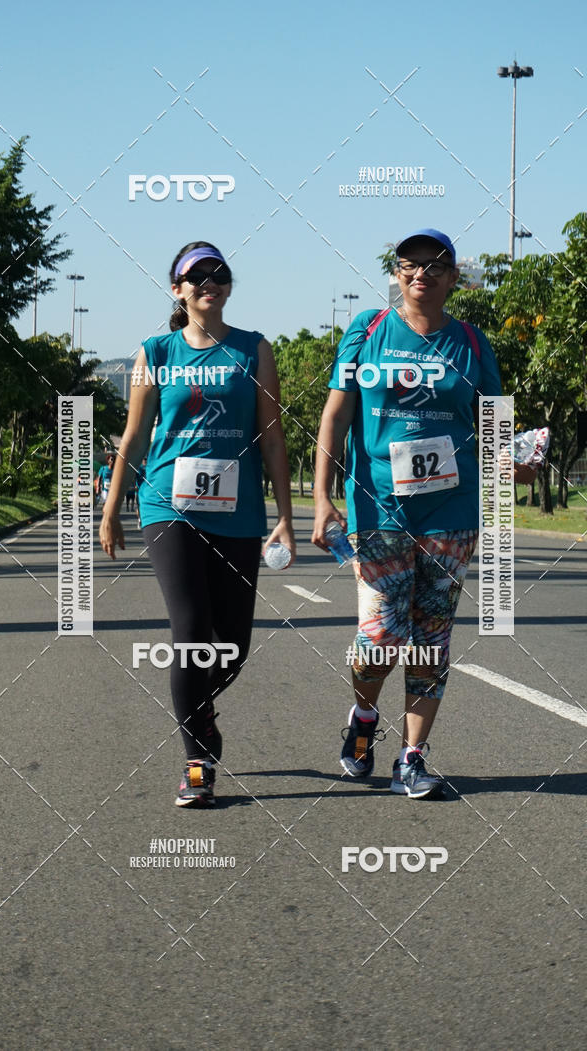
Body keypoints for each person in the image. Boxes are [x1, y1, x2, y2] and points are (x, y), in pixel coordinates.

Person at [99, 241, 295, 807]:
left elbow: (273, 438)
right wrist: (112, 509)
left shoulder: (255, 351)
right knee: (190, 631)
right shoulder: (154, 352)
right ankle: (196, 761)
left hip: (238, 513)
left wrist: (285, 516)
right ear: (177, 289)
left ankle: (200, 714)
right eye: (196, 276)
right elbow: (134, 437)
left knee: (231, 645)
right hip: (169, 507)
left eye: (219, 273)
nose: (209, 282)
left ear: (229, 285)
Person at [313, 228, 507, 798]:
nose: (420, 273)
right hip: (378, 510)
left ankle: (412, 757)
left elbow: (494, 422)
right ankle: (364, 718)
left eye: (434, 265)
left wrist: (511, 460)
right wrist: (323, 498)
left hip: (451, 514)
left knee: (431, 637)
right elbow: (335, 418)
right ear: (397, 273)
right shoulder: (367, 331)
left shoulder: (472, 343)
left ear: (452, 279)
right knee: (379, 640)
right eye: (409, 264)